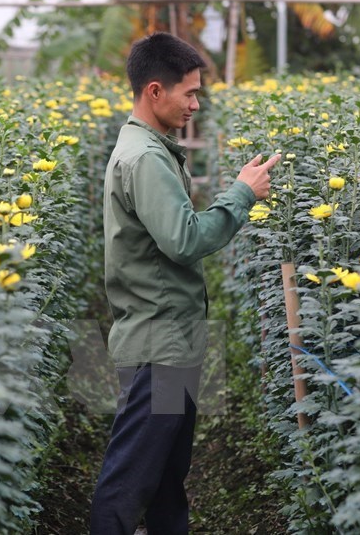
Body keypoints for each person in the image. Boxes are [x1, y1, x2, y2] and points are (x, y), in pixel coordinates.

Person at [89, 32, 280, 534]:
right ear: (155, 91)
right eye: (189, 93)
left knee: (167, 477)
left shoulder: (150, 148)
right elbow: (184, 240)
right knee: (131, 478)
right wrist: (241, 194)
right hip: (159, 344)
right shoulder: (146, 158)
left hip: (172, 337)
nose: (196, 104)